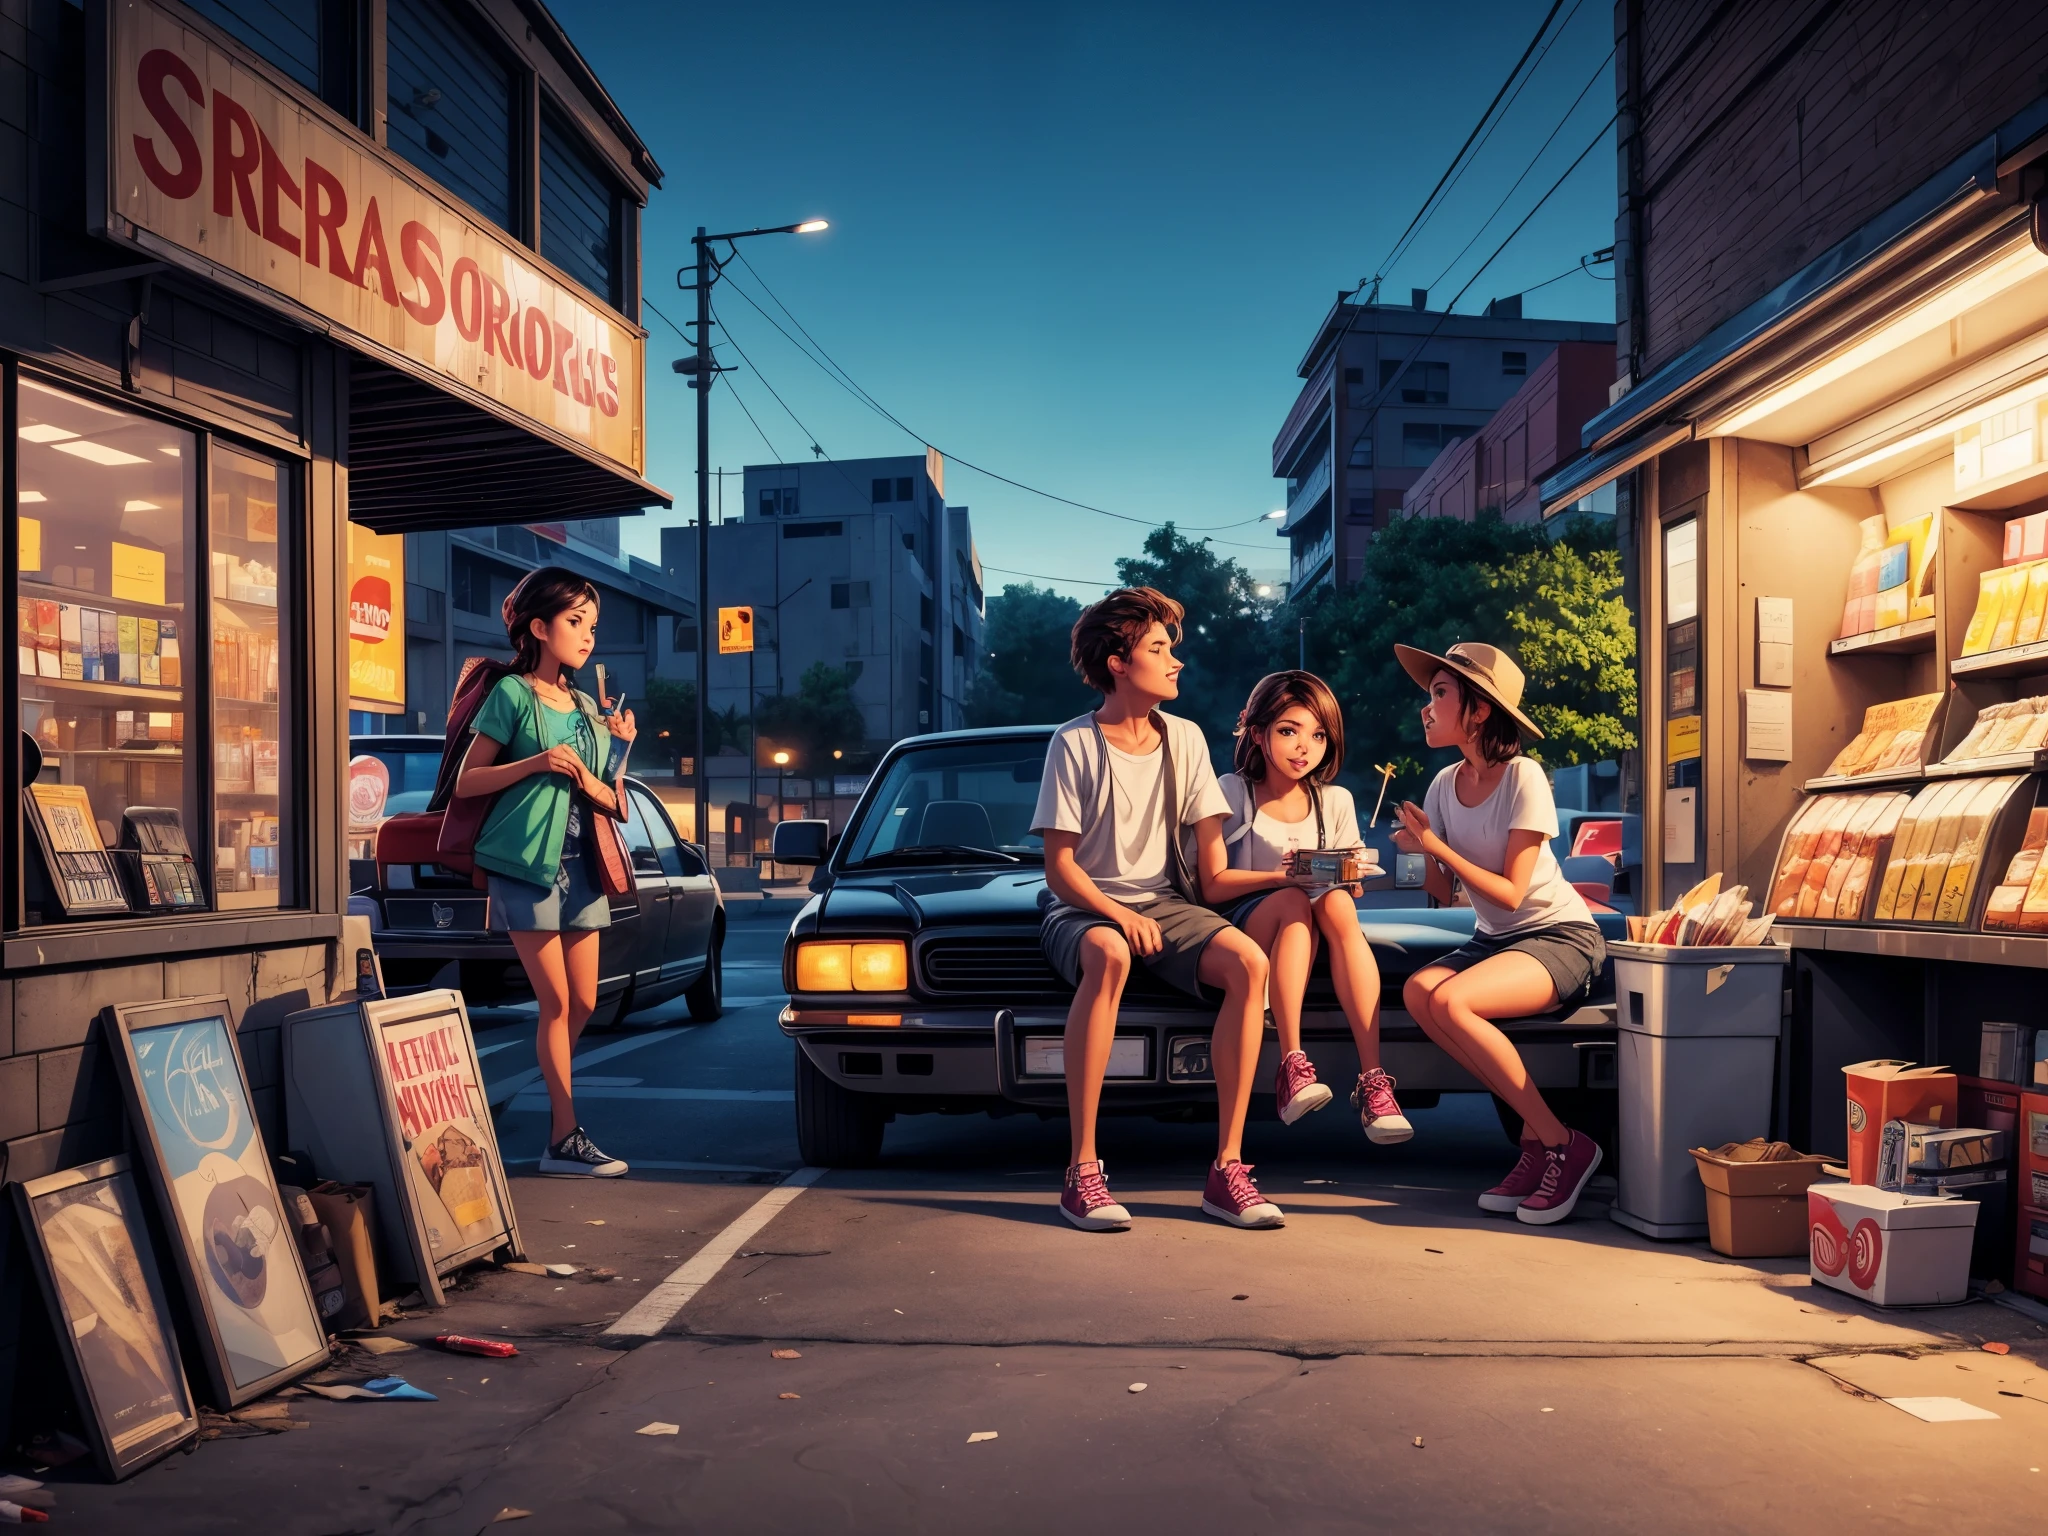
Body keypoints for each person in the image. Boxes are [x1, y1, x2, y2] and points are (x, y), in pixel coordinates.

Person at [1033, 587, 1284, 1232]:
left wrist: (1297, 878)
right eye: (1159, 648)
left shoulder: (1187, 739)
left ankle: (1228, 1170)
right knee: (1111, 954)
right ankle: (1082, 1172)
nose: (1177, 661)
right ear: (1118, 662)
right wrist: (1117, 916)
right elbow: (1059, 869)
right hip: (1083, 906)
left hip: (1168, 905)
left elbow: (1212, 873)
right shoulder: (1073, 744)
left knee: (1250, 965)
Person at [1389, 642, 1606, 1225]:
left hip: (1560, 935)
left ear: (1480, 710)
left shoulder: (1524, 777)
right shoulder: (1441, 786)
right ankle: (1537, 1144)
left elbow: (1512, 891)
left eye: (1439, 694)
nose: (1426, 709)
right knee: (1418, 993)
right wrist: (1418, 849)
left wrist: (1436, 846)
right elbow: (1444, 891)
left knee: (1453, 1000)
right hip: (1496, 940)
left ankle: (1561, 1143)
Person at [455, 568, 637, 1178]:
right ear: (539, 628)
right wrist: (533, 762)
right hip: (524, 864)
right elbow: (466, 780)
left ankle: (552, 1114)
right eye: (575, 622)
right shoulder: (511, 695)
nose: (587, 637)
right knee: (556, 1001)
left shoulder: (587, 706)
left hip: (581, 865)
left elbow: (609, 797)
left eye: (593, 625)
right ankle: (564, 1136)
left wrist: (620, 747)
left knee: (584, 999)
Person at [1203, 670, 1410, 1142]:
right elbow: (1212, 886)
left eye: (1317, 735)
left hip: (1313, 914)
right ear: (1258, 733)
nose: (1304, 748)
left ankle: (1374, 1080)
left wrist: (1346, 876)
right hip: (1246, 918)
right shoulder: (1232, 791)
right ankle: (1292, 1062)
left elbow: (1353, 871)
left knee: (1335, 904)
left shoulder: (1334, 799)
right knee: (1296, 899)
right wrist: (1286, 875)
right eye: (1288, 731)